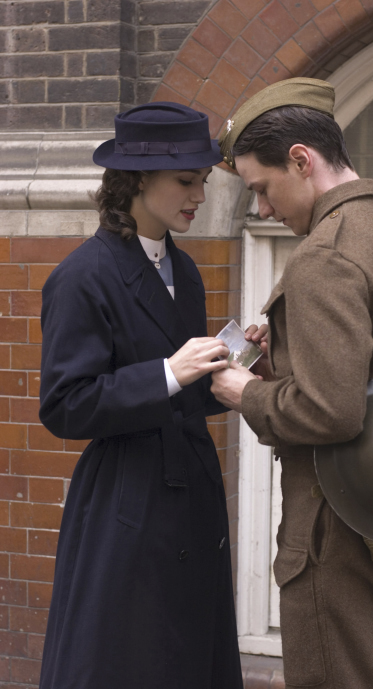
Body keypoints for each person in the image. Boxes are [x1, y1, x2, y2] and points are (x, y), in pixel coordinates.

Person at [211, 78, 373, 689]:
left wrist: (242, 391)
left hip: (333, 537)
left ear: (301, 160)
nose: (262, 208)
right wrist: (277, 368)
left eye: (262, 188)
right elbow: (371, 379)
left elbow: (331, 412)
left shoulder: (324, 257)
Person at [38, 103, 249, 689]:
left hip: (191, 496)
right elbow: (64, 404)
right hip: (125, 504)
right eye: (186, 181)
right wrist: (167, 372)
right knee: (126, 660)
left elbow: (182, 395)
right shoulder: (83, 276)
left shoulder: (184, 270)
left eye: (202, 182)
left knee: (188, 657)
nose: (199, 196)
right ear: (135, 179)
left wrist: (231, 365)